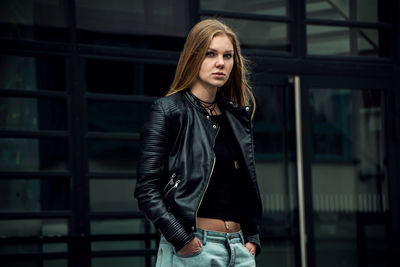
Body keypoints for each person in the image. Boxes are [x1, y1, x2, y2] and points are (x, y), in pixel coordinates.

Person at [134, 18, 262, 267]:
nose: (220, 63)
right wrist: (180, 238)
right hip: (194, 249)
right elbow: (146, 189)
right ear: (193, 57)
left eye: (227, 56)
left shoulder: (236, 117)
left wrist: (252, 236)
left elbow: (245, 185)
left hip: (239, 249)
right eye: (210, 54)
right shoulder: (169, 110)